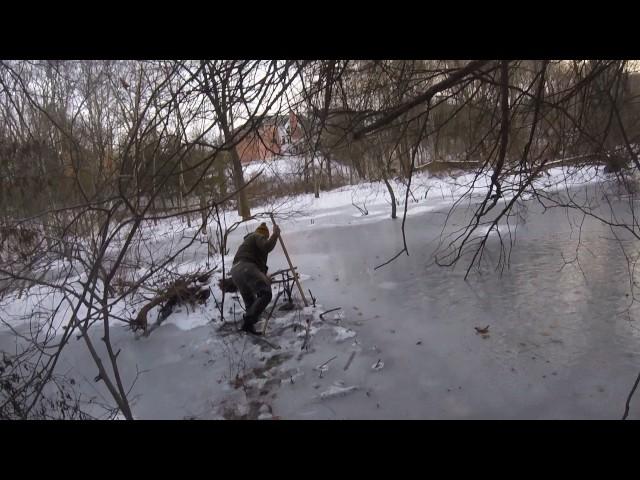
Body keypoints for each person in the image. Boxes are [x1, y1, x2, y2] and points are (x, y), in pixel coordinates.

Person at [230, 222, 280, 335]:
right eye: (265, 237)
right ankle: (248, 321)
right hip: (246, 267)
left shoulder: (248, 244)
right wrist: (275, 235)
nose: (265, 239)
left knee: (250, 302)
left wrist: (264, 278)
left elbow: (259, 269)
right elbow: (266, 247)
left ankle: (248, 328)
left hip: (235, 271)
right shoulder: (257, 235)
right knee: (265, 293)